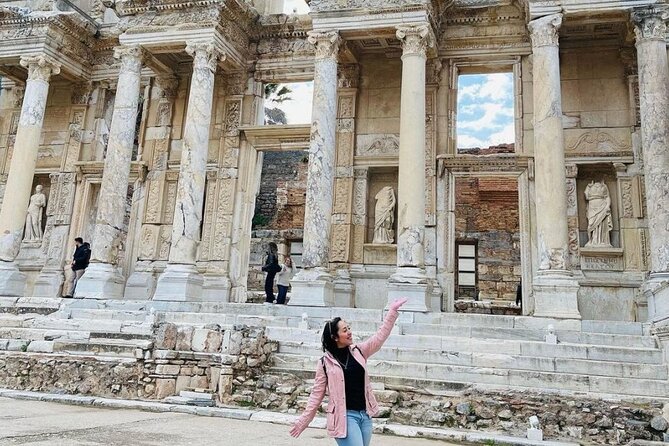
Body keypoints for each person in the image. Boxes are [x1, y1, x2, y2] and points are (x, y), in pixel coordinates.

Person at [290, 298, 408, 445]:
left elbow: (379, 337)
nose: (350, 332)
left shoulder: (359, 351)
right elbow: (316, 395)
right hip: (344, 417)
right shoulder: (324, 363)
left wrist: (392, 312)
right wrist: (304, 420)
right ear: (335, 337)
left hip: (364, 415)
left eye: (349, 328)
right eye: (345, 330)